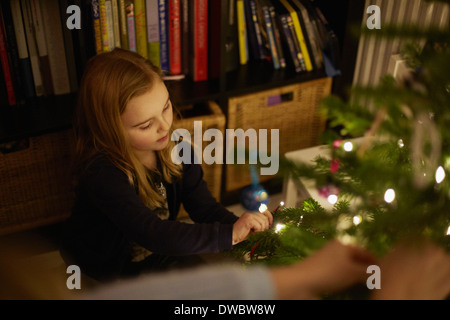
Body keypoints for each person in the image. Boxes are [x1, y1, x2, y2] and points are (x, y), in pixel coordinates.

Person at [60, 48, 273, 281]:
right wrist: (228, 235)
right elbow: (152, 232)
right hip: (108, 266)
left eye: (165, 107)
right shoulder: (102, 174)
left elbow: (205, 209)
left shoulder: (178, 151)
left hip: (157, 251)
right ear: (110, 129)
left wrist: (242, 228)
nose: (164, 126)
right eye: (145, 125)